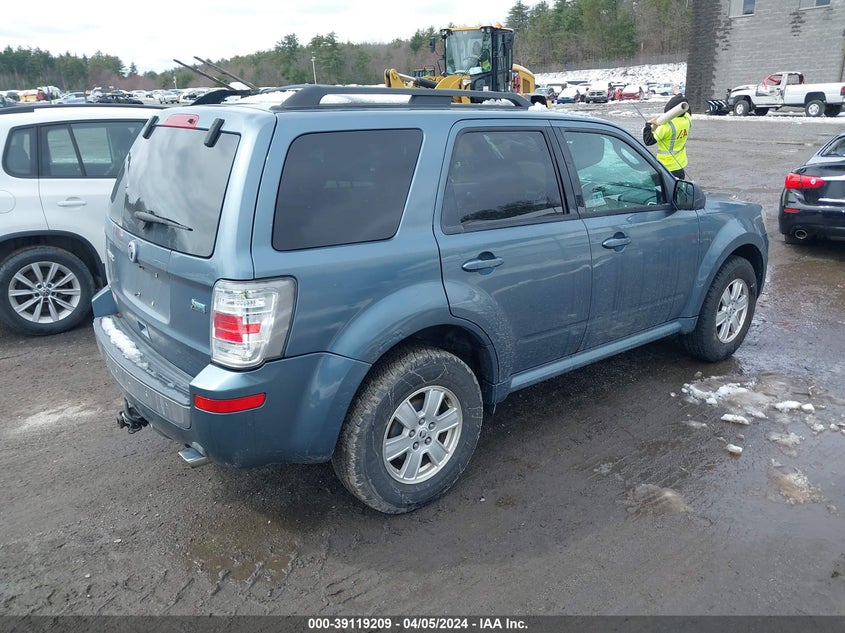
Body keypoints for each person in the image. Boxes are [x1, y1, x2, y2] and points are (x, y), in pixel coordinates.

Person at [642, 86, 691, 179]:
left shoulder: (666, 126)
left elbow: (648, 141)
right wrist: (679, 95)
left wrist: (648, 126)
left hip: (666, 168)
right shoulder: (687, 119)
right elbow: (687, 108)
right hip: (680, 166)